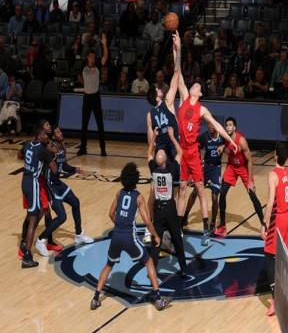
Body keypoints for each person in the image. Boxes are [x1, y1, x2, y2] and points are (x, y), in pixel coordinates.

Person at [174, 32, 236, 245]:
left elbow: (217, 125)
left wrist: (230, 140)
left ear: (200, 93)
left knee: (200, 191)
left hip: (192, 152)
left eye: (197, 86)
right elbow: (177, 71)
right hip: (182, 151)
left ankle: (206, 229)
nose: (194, 85)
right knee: (182, 189)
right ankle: (178, 227)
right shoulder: (184, 97)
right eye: (194, 85)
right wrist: (178, 48)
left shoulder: (201, 109)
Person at [90, 163, 171, 311]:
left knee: (108, 265)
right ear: (136, 179)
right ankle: (158, 299)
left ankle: (95, 299)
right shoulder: (138, 197)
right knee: (149, 261)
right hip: (129, 237)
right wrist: (155, 236)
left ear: (123, 179)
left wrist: (119, 225)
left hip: (116, 236)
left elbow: (111, 213)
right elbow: (147, 222)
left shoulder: (119, 193)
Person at [35, 126, 94, 255]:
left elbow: (64, 165)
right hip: (50, 185)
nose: (61, 133)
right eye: (58, 132)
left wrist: (75, 169)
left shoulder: (62, 147)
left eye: (60, 131)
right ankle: (40, 240)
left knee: (75, 203)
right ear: (53, 136)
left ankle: (79, 234)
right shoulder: (49, 148)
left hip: (58, 183)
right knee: (62, 217)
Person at [215, 117, 264, 237]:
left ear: (235, 127)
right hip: (231, 167)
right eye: (227, 125)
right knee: (222, 193)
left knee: (252, 195)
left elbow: (250, 161)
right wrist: (222, 147)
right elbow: (226, 146)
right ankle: (222, 226)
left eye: (230, 125)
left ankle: (264, 225)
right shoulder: (225, 138)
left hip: (243, 168)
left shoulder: (241, 140)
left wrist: (250, 180)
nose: (228, 127)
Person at [147, 127, 187, 275]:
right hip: (169, 207)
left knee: (156, 241)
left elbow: (148, 153)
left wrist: (154, 137)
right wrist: (172, 136)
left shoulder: (153, 168)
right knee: (177, 239)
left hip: (158, 209)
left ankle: (152, 270)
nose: (160, 151)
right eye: (161, 152)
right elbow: (180, 153)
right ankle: (183, 268)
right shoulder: (172, 169)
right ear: (165, 160)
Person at [261, 142, 288, 317]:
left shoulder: (273, 174)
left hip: (279, 219)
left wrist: (264, 223)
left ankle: (276, 301)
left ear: (275, 156)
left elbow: (270, 202)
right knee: (285, 258)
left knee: (269, 256)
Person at [18, 126, 57, 268]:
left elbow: (19, 155)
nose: (46, 137)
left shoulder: (27, 144)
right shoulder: (42, 150)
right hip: (33, 183)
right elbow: (54, 169)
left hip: (24, 180)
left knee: (37, 211)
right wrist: (52, 155)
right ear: (39, 135)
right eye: (44, 134)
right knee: (33, 218)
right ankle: (27, 255)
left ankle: (25, 243)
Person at [182, 122, 225, 232]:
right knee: (195, 192)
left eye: (212, 125)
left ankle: (212, 222)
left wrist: (223, 146)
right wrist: (198, 161)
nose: (210, 127)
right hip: (205, 168)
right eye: (209, 125)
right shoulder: (204, 136)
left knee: (215, 197)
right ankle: (185, 215)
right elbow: (195, 148)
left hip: (216, 169)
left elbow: (229, 144)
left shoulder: (222, 137)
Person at [77, 34, 109, 156]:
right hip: (86, 97)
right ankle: (83, 148)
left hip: (95, 98)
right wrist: (84, 83)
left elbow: (105, 57)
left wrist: (104, 44)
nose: (93, 59)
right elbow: (78, 75)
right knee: (84, 125)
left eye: (94, 57)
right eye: (91, 57)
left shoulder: (98, 66)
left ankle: (103, 149)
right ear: (87, 57)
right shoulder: (83, 66)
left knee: (100, 124)